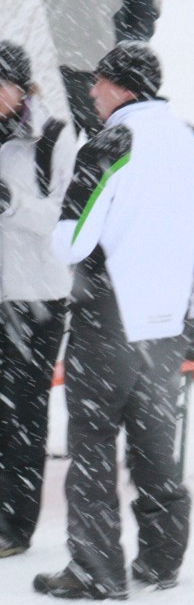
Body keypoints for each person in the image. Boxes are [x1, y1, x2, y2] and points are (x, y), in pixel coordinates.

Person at [33, 42, 194, 600]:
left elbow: (73, 241)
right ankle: (162, 559)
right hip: (168, 324)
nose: (91, 91)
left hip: (109, 315)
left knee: (92, 442)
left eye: (98, 82)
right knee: (156, 442)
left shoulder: (111, 143)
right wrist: (189, 311)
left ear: (121, 86)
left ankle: (96, 569)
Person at [0, 41, 74, 558]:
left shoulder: (53, 138)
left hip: (35, 298)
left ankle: (13, 525)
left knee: (21, 413)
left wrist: (12, 202)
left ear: (21, 86)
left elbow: (67, 223)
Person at [37, 0, 159, 138]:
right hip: (95, 65)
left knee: (48, 151)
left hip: (65, 62)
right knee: (113, 153)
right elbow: (144, 2)